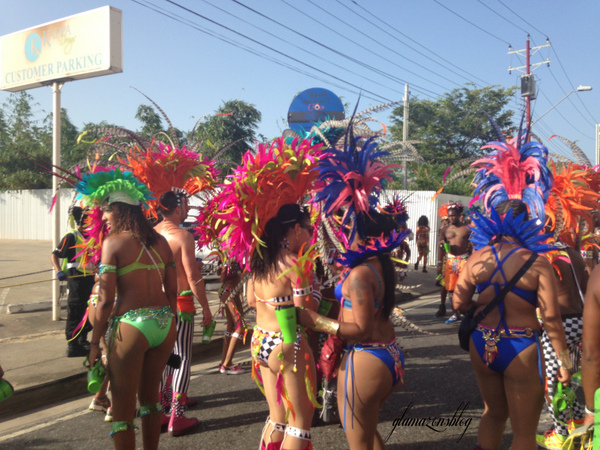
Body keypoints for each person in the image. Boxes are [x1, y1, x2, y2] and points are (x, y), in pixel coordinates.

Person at [454, 132, 571, 450]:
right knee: (523, 430)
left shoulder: (477, 257)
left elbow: (458, 301)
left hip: (482, 343)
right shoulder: (537, 263)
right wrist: (565, 363)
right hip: (520, 345)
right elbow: (552, 321)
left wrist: (479, 303)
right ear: (527, 222)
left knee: (493, 414)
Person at [84, 168, 177, 449]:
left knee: (122, 414)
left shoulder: (113, 243)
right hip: (164, 325)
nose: (103, 218)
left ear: (120, 210)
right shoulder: (160, 242)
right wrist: (169, 320)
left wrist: (93, 344)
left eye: (106, 212)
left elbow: (105, 300)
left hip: (131, 327)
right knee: (150, 401)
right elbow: (172, 291)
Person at [299, 210, 406, 450]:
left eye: (350, 231)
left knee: (358, 441)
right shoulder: (378, 264)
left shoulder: (361, 274)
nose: (346, 236)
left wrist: (315, 320)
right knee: (367, 432)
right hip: (387, 354)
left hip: (366, 357)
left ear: (363, 236)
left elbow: (362, 329)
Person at [248, 204, 320, 450]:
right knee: (300, 421)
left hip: (259, 340)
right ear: (297, 229)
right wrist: (317, 292)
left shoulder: (259, 258)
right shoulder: (295, 264)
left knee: (277, 419)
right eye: (310, 229)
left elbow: (250, 301)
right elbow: (305, 313)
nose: (312, 235)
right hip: (286, 342)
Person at [155, 190, 213, 436]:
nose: (189, 208)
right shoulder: (183, 236)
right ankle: (176, 416)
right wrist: (206, 308)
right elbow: (192, 276)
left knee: (163, 356)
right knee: (182, 356)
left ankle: (162, 408)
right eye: (187, 204)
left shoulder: (151, 233)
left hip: (156, 304)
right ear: (177, 208)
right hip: (180, 302)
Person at [51, 206, 96, 357]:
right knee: (75, 312)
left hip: (91, 280)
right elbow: (54, 255)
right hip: (76, 281)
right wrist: (58, 271)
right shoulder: (71, 236)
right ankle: (72, 345)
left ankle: (83, 340)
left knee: (90, 311)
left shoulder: (94, 237)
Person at [437, 203, 471, 324]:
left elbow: (474, 244)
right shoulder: (445, 229)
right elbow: (441, 247)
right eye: (449, 216)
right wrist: (439, 263)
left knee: (465, 287)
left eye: (453, 216)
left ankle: (466, 310)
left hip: (464, 260)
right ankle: (455, 313)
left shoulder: (467, 228)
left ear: (459, 215)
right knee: (450, 288)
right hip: (450, 261)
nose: (451, 218)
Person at [87, 274, 112, 422]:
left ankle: (100, 397)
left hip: (95, 296)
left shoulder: (99, 254)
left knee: (107, 352)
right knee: (118, 359)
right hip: (112, 299)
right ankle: (115, 408)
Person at [217, 260, 246, 374]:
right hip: (229, 292)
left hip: (231, 292)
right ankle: (227, 364)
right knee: (240, 326)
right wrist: (239, 274)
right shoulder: (230, 257)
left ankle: (224, 361)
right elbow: (222, 277)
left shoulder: (229, 255)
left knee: (231, 326)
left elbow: (220, 272)